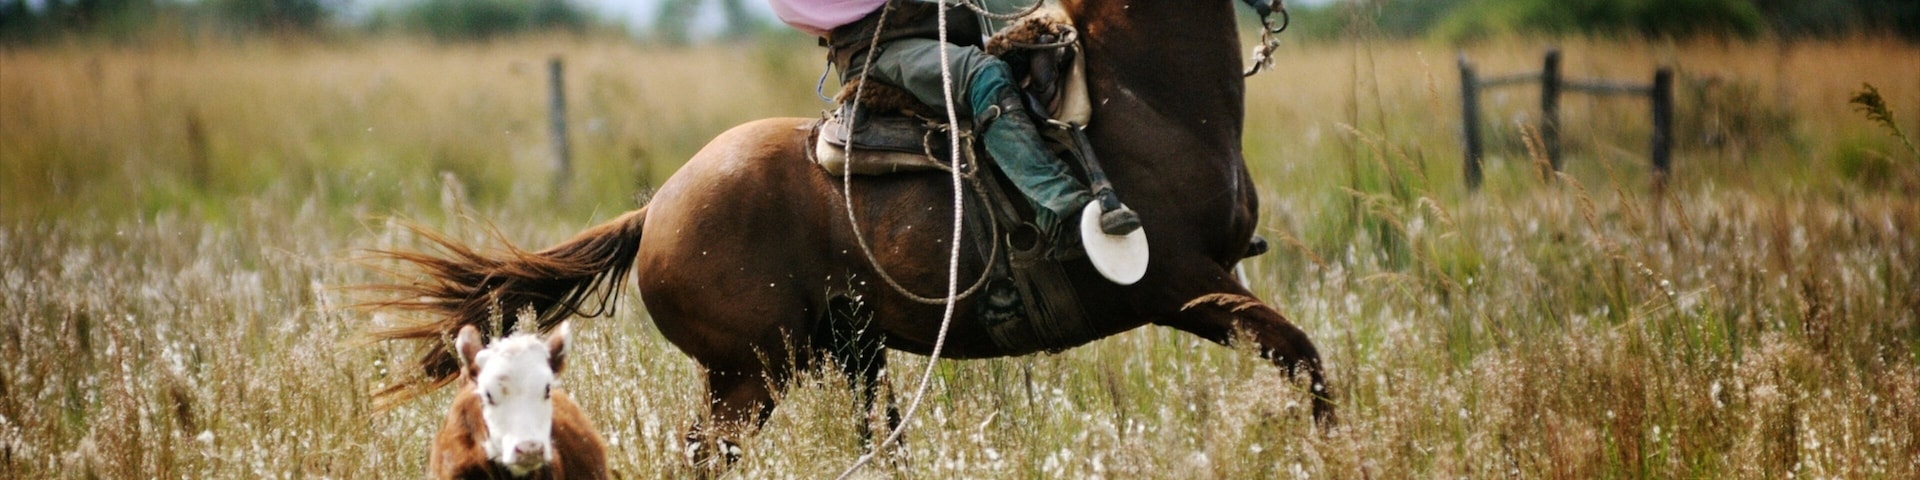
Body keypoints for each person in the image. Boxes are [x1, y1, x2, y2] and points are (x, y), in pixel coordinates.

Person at [770, 0, 1141, 237]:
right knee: (983, 77)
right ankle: (1061, 209)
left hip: (935, 31)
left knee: (1044, 43)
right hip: (881, 50)